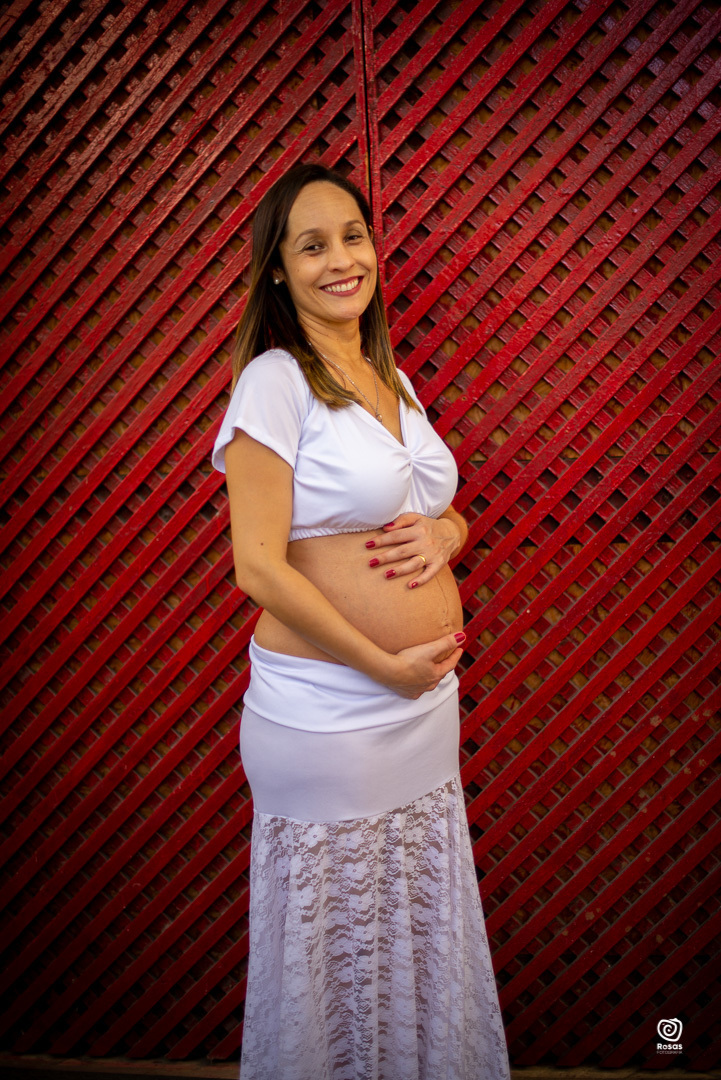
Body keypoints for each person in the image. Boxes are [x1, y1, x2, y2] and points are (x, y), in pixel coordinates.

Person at [211, 162, 511, 1080]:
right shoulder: (275, 380)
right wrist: (381, 664)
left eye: (353, 236)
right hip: (329, 716)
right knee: (336, 954)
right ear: (277, 269)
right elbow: (258, 566)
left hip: (418, 714)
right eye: (312, 246)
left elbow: (429, 508)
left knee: (410, 930)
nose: (341, 259)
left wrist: (451, 533)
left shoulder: (391, 376)